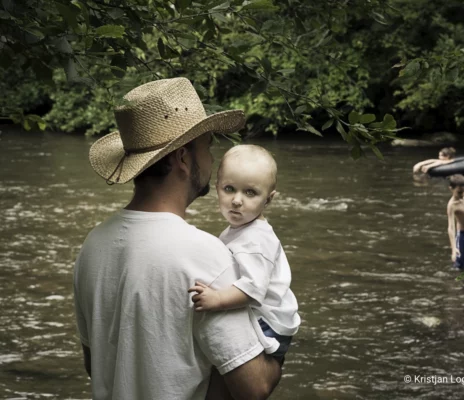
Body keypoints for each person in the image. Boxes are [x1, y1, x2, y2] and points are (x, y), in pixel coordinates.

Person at [73, 78, 282, 400]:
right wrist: (280, 341)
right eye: (208, 147)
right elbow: (254, 387)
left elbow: (96, 364)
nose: (212, 162)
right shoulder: (203, 253)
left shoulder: (93, 245)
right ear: (183, 159)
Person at [189, 145, 301, 397]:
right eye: (229, 189)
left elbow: (253, 289)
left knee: (226, 382)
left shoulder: (256, 240)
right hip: (266, 318)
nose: (237, 200)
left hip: (270, 325)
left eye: (250, 192)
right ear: (217, 187)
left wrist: (217, 299)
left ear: (269, 199)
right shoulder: (240, 230)